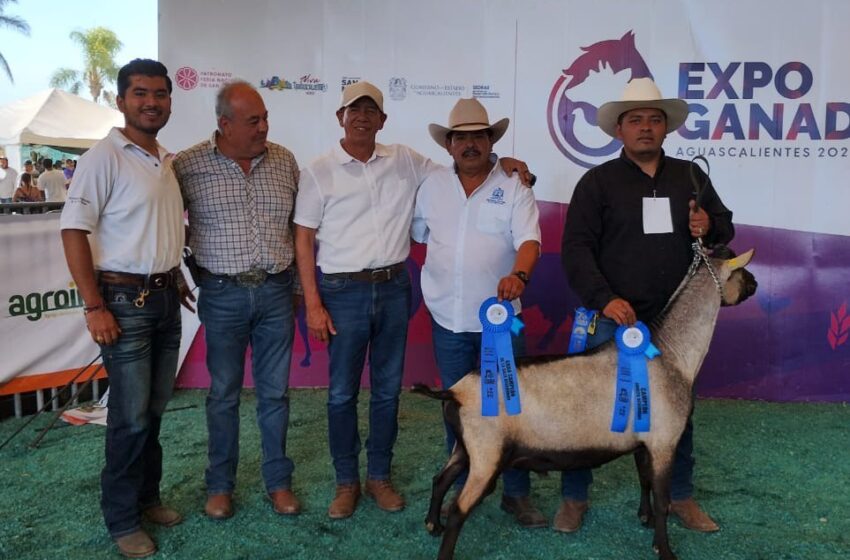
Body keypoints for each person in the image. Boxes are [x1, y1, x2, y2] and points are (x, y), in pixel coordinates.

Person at [294, 81, 533, 520]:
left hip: (392, 288)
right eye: (354, 110)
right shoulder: (317, 171)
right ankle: (347, 482)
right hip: (341, 292)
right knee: (342, 394)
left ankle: (379, 477)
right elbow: (304, 238)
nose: (363, 117)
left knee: (387, 393)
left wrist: (507, 164)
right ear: (340, 117)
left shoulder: (407, 161)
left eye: (372, 111)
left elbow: (468, 168)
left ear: (383, 120)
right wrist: (312, 302)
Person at [559, 77, 734, 533]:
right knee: (585, 410)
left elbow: (725, 230)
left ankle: (679, 496)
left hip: (674, 323)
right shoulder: (597, 183)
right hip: (613, 315)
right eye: (635, 120)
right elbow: (576, 249)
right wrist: (605, 299)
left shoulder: (690, 178)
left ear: (666, 128)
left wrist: (708, 224)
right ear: (619, 130)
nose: (645, 128)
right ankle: (574, 497)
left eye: (654, 120)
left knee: (678, 409)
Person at [59, 59, 192, 558]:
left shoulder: (164, 159)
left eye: (159, 94)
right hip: (120, 301)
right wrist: (94, 306)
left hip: (162, 298)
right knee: (130, 418)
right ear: (120, 101)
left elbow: (151, 226)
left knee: (153, 413)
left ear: (169, 102)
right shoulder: (103, 157)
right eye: (140, 93)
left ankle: (147, 498)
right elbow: (74, 232)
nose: (151, 102)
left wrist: (172, 273)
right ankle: (120, 518)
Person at [411, 98, 544, 527]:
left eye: (478, 136)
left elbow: (529, 241)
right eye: (461, 137)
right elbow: (419, 232)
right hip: (448, 322)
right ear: (448, 144)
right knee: (457, 411)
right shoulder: (430, 184)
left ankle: (517, 494)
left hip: (500, 324)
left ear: (491, 141)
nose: (470, 144)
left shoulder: (514, 183)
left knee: (510, 410)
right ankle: (466, 485)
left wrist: (518, 276)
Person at [172, 80, 302, 520]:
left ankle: (278, 483)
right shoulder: (187, 165)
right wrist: (175, 270)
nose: (264, 127)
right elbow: (166, 221)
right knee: (223, 394)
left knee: (275, 395)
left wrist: (300, 290)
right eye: (253, 120)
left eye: (265, 118)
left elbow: (298, 231)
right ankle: (220, 486)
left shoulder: (284, 161)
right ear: (224, 124)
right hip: (222, 295)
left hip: (277, 291)